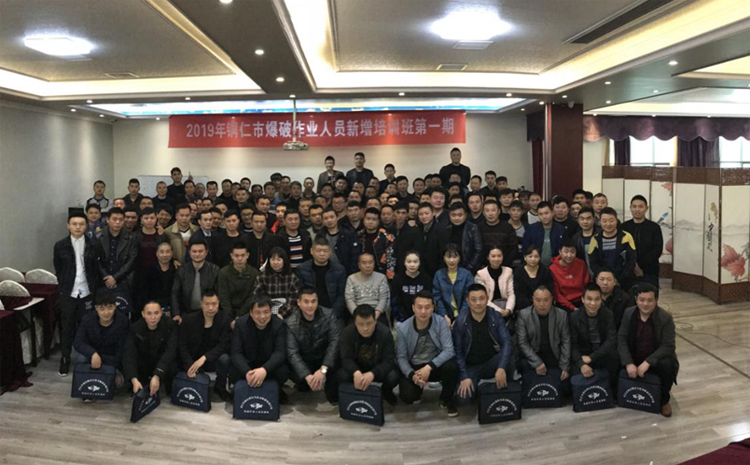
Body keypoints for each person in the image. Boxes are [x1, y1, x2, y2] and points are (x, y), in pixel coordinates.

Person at [617, 283, 678, 417]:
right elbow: (621, 338)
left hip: (654, 359)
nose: (645, 304)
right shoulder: (629, 313)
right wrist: (628, 362)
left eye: (650, 300)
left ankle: (664, 400)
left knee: (668, 364)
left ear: (656, 300)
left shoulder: (665, 318)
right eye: (642, 300)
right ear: (636, 299)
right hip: (634, 355)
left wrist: (648, 362)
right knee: (613, 356)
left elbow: (668, 346)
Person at [396, 290, 459, 416]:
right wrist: (412, 375)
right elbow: (401, 357)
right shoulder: (403, 328)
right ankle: (417, 389)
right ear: (413, 308)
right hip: (415, 367)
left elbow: (449, 350)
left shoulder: (440, 322)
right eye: (419, 307)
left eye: (427, 307)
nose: (423, 311)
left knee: (452, 367)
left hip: (434, 365)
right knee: (408, 397)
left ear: (433, 308)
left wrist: (429, 367)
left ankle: (446, 399)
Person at [54, 212, 100, 376]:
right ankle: (65, 357)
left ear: (86, 226)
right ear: (68, 226)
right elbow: (58, 268)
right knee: (66, 326)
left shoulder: (93, 244)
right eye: (74, 224)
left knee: (87, 325)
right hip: (68, 292)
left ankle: (86, 357)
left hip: (87, 291)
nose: (78, 227)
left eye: (81, 224)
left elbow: (96, 269)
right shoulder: (60, 245)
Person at [453, 284, 513, 403]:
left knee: (508, 357)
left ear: (487, 299)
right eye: (473, 299)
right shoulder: (461, 321)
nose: (478, 303)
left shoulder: (495, 316)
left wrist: (501, 367)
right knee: (463, 399)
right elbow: (457, 351)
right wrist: (464, 376)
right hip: (471, 366)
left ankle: (508, 389)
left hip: (491, 362)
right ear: (467, 301)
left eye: (482, 298)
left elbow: (507, 342)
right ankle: (478, 388)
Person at [285, 287, 342, 404]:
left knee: (339, 357)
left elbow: (334, 341)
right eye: (306, 302)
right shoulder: (290, 322)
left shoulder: (329, 314)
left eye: (313, 301)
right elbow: (292, 353)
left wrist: (323, 370)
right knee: (302, 384)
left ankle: (331, 390)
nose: (310, 305)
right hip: (305, 360)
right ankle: (305, 383)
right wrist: (307, 376)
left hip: (324, 358)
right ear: (299, 303)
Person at [231, 295, 289, 403]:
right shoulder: (240, 324)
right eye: (257, 312)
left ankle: (274, 389)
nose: (262, 316)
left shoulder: (279, 324)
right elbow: (236, 353)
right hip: (249, 365)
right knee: (234, 371)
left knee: (283, 371)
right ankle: (244, 388)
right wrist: (247, 372)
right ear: (251, 313)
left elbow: (280, 352)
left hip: (268, 366)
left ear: (271, 311)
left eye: (266, 312)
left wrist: (264, 370)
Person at [339, 304, 399, 405]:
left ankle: (386, 392)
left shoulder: (385, 333)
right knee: (342, 375)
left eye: (369, 323)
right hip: (357, 368)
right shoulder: (347, 333)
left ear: (375, 321)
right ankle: (352, 394)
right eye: (360, 324)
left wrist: (373, 373)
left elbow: (389, 360)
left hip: (377, 368)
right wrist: (356, 372)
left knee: (393, 376)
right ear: (355, 322)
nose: (365, 328)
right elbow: (345, 358)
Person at [177, 291, 231, 399]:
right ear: (201, 304)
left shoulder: (225, 319)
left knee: (225, 359)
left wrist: (204, 358)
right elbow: (182, 345)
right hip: (193, 358)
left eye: (214, 304)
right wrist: (190, 364)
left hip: (212, 359)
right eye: (207, 304)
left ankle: (220, 387)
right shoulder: (189, 319)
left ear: (218, 303)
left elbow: (224, 345)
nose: (211, 308)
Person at [73, 291, 130, 391]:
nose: (106, 312)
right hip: (92, 357)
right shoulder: (87, 319)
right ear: (96, 308)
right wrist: (93, 353)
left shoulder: (123, 321)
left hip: (112, 359)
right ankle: (87, 384)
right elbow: (78, 341)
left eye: (110, 307)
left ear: (115, 306)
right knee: (81, 358)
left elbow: (123, 349)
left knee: (119, 385)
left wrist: (106, 363)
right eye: (102, 308)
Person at [569, 283, 620, 393]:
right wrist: (581, 364)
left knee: (614, 356)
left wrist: (592, 357)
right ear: (582, 299)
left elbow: (611, 340)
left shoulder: (608, 314)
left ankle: (611, 393)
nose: (593, 303)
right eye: (589, 299)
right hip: (583, 354)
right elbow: (572, 344)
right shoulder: (574, 317)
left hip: (601, 353)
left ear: (601, 300)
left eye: (597, 299)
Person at [516, 286, 571, 384]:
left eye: (546, 300)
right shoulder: (524, 315)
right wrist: (537, 362)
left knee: (562, 384)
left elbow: (566, 342)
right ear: (532, 300)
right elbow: (522, 343)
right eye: (538, 300)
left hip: (554, 355)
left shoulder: (561, 315)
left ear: (552, 299)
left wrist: (564, 366)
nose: (542, 304)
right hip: (532, 355)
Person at [123, 302, 178, 395]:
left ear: (161, 313)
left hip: (163, 362)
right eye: (149, 313)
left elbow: (170, 351)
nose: (153, 317)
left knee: (173, 366)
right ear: (143, 314)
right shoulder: (135, 328)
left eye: (156, 313)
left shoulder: (170, 325)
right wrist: (133, 379)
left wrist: (157, 375)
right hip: (144, 363)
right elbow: (129, 353)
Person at [95, 207, 138, 310]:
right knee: (103, 310)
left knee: (123, 310)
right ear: (107, 220)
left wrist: (115, 278)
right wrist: (106, 277)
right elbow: (95, 260)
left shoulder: (131, 238)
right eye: (114, 219)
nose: (117, 222)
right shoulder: (98, 237)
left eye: (121, 219)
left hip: (123, 280)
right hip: (102, 280)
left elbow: (131, 261)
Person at [295, 237, 348, 320]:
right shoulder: (302, 269)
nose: (322, 254)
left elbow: (341, 296)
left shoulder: (340, 270)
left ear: (330, 252)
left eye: (325, 251)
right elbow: (300, 294)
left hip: (333, 312)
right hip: (309, 311)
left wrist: (333, 315)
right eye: (318, 251)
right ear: (312, 251)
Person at [588, 207, 637, 291]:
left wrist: (619, 279)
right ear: (599, 222)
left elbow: (631, 260)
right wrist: (605, 278)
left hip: (624, 279)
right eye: (604, 221)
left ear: (616, 220)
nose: (608, 224)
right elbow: (593, 262)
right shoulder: (595, 239)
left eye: (611, 220)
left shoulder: (626, 237)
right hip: (604, 282)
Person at [171, 240, 220, 323]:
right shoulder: (182, 270)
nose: (197, 254)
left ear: (206, 252)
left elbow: (218, 294)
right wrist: (176, 314)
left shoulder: (214, 270)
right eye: (194, 251)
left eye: (200, 251)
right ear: (189, 253)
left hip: (208, 314)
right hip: (186, 314)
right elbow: (175, 293)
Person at [621, 195, 663, 286]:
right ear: (630, 208)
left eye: (640, 206)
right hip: (628, 270)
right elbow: (622, 249)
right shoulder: (623, 227)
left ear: (646, 208)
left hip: (650, 270)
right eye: (634, 206)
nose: (637, 209)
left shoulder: (654, 227)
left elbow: (657, 249)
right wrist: (633, 266)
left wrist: (640, 266)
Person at [252, 247, 300, 318]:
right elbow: (257, 296)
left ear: (284, 261)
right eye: (273, 259)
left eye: (278, 260)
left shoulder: (292, 277)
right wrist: (267, 312)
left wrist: (282, 314)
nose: (275, 262)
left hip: (288, 310)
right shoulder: (261, 277)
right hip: (267, 310)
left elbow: (293, 299)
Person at [345, 253, 390, 326]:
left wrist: (375, 316)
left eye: (370, 262)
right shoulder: (351, 278)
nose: (368, 266)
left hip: (377, 313)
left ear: (374, 264)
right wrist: (357, 315)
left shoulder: (381, 278)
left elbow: (384, 298)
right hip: (357, 313)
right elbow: (349, 299)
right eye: (364, 263)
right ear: (359, 265)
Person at [432, 244, 473, 324]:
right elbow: (437, 297)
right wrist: (444, 315)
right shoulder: (438, 275)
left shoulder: (467, 275)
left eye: (455, 257)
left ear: (459, 258)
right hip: (443, 316)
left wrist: (460, 318)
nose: (451, 260)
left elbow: (468, 298)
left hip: (465, 315)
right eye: (448, 257)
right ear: (444, 258)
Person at [218, 244, 259, 320]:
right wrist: (229, 317)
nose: (240, 259)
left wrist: (240, 316)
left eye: (242, 255)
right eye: (236, 256)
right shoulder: (223, 273)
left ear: (247, 255)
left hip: (247, 313)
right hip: (227, 313)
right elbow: (223, 297)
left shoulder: (254, 273)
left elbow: (252, 297)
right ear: (231, 256)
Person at [475, 246, 515, 322]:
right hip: (489, 307)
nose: (496, 259)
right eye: (493, 256)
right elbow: (484, 298)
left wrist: (509, 309)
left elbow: (511, 294)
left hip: (505, 305)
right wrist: (500, 311)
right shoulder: (481, 274)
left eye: (499, 256)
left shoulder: (508, 271)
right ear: (488, 257)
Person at [390, 251, 432, 324]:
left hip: (422, 316)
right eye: (409, 262)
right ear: (404, 263)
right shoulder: (397, 279)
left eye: (415, 262)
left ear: (419, 263)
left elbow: (429, 300)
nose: (412, 265)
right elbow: (395, 301)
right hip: (401, 318)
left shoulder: (426, 279)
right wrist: (402, 318)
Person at [549, 238, 590, 312]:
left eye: (572, 252)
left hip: (582, 301)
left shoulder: (581, 264)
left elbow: (587, 285)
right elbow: (556, 294)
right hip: (564, 303)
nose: (569, 255)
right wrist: (572, 308)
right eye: (566, 251)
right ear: (560, 252)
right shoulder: (552, 269)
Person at [522, 201, 565, 267]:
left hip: (556, 267)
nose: (544, 216)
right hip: (535, 267)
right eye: (541, 214)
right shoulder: (531, 229)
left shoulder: (560, 229)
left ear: (552, 213)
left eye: (546, 213)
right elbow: (525, 250)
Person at [357, 208, 396, 280]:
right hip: (361, 272)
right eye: (368, 219)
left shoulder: (387, 236)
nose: (370, 222)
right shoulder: (359, 235)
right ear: (363, 220)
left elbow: (391, 258)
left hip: (382, 273)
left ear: (378, 222)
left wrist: (390, 276)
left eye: (374, 220)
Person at [319, 206, 359, 274]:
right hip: (327, 271)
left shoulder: (348, 234)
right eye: (326, 218)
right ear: (322, 221)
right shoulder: (320, 236)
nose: (329, 220)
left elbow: (355, 255)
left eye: (332, 217)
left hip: (347, 270)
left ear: (337, 218)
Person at [478, 199, 518, 267]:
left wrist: (504, 264)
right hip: (484, 266)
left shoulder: (507, 227)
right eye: (487, 211)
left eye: (493, 210)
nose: (490, 213)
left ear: (499, 211)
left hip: (505, 265)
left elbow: (513, 249)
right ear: (483, 213)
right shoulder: (479, 228)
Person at [445, 203, 483, 274]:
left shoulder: (473, 228)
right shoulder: (445, 229)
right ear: (449, 215)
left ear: (465, 215)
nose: (457, 218)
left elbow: (478, 251)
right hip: (449, 268)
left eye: (460, 215)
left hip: (468, 268)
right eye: (453, 215)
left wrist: (469, 268)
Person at [417, 202, 449, 277]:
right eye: (421, 214)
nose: (424, 216)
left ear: (433, 213)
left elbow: (443, 252)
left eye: (426, 213)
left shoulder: (441, 229)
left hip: (437, 270)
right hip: (421, 269)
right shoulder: (417, 229)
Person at [571, 206, 598, 273]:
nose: (585, 222)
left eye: (588, 219)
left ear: (594, 219)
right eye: (582, 219)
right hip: (582, 273)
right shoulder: (575, 238)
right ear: (578, 220)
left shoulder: (600, 235)